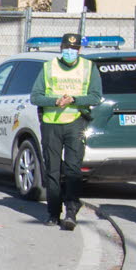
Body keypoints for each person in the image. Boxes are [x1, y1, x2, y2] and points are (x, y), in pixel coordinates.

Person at [37, 31, 101, 230]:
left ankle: (71, 211)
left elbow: (96, 96)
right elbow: (35, 96)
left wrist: (74, 99)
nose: (70, 52)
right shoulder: (48, 67)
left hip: (75, 122)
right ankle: (53, 212)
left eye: (73, 49)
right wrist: (55, 101)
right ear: (61, 48)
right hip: (51, 123)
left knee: (73, 169)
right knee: (53, 170)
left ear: (79, 49)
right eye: (66, 48)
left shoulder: (89, 67)